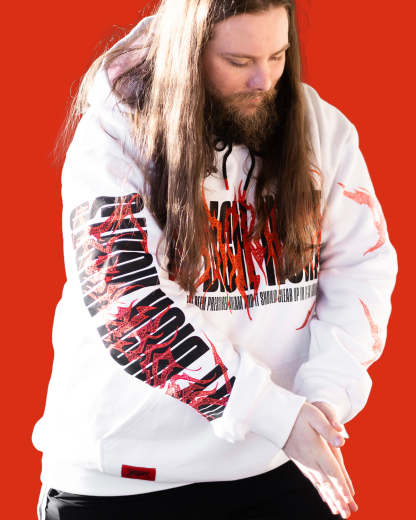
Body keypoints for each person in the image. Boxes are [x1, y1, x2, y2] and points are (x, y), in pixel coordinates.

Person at [32, 1, 398, 519]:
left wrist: (323, 397)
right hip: (123, 482)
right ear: (189, 52)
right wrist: (273, 413)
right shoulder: (115, 133)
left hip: (276, 460)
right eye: (238, 61)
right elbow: (128, 308)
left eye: (277, 56)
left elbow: (361, 268)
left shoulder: (323, 129)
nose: (263, 80)